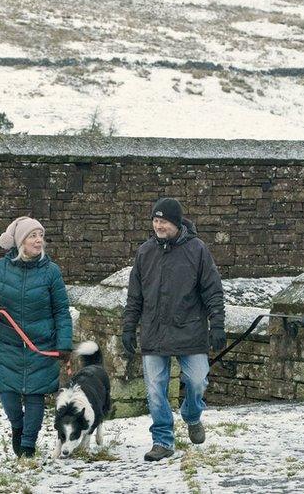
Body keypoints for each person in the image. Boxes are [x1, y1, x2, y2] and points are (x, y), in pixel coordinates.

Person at [121, 197, 226, 461]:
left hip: (190, 330)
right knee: (155, 390)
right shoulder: (145, 253)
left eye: (163, 221)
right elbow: (135, 296)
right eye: (155, 221)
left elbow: (212, 290)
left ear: (176, 223)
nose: (158, 226)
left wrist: (218, 324)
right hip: (154, 334)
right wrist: (128, 327)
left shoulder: (198, 250)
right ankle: (163, 440)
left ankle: (192, 415)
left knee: (197, 380)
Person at [0, 216, 73, 458]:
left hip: (41, 345)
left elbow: (61, 310)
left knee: (35, 396)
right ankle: (18, 427)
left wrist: (64, 344)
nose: (39, 240)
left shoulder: (51, 272)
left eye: (41, 236)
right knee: (8, 396)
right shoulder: (0, 268)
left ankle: (28, 444)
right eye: (33, 236)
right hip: (8, 345)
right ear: (20, 242)